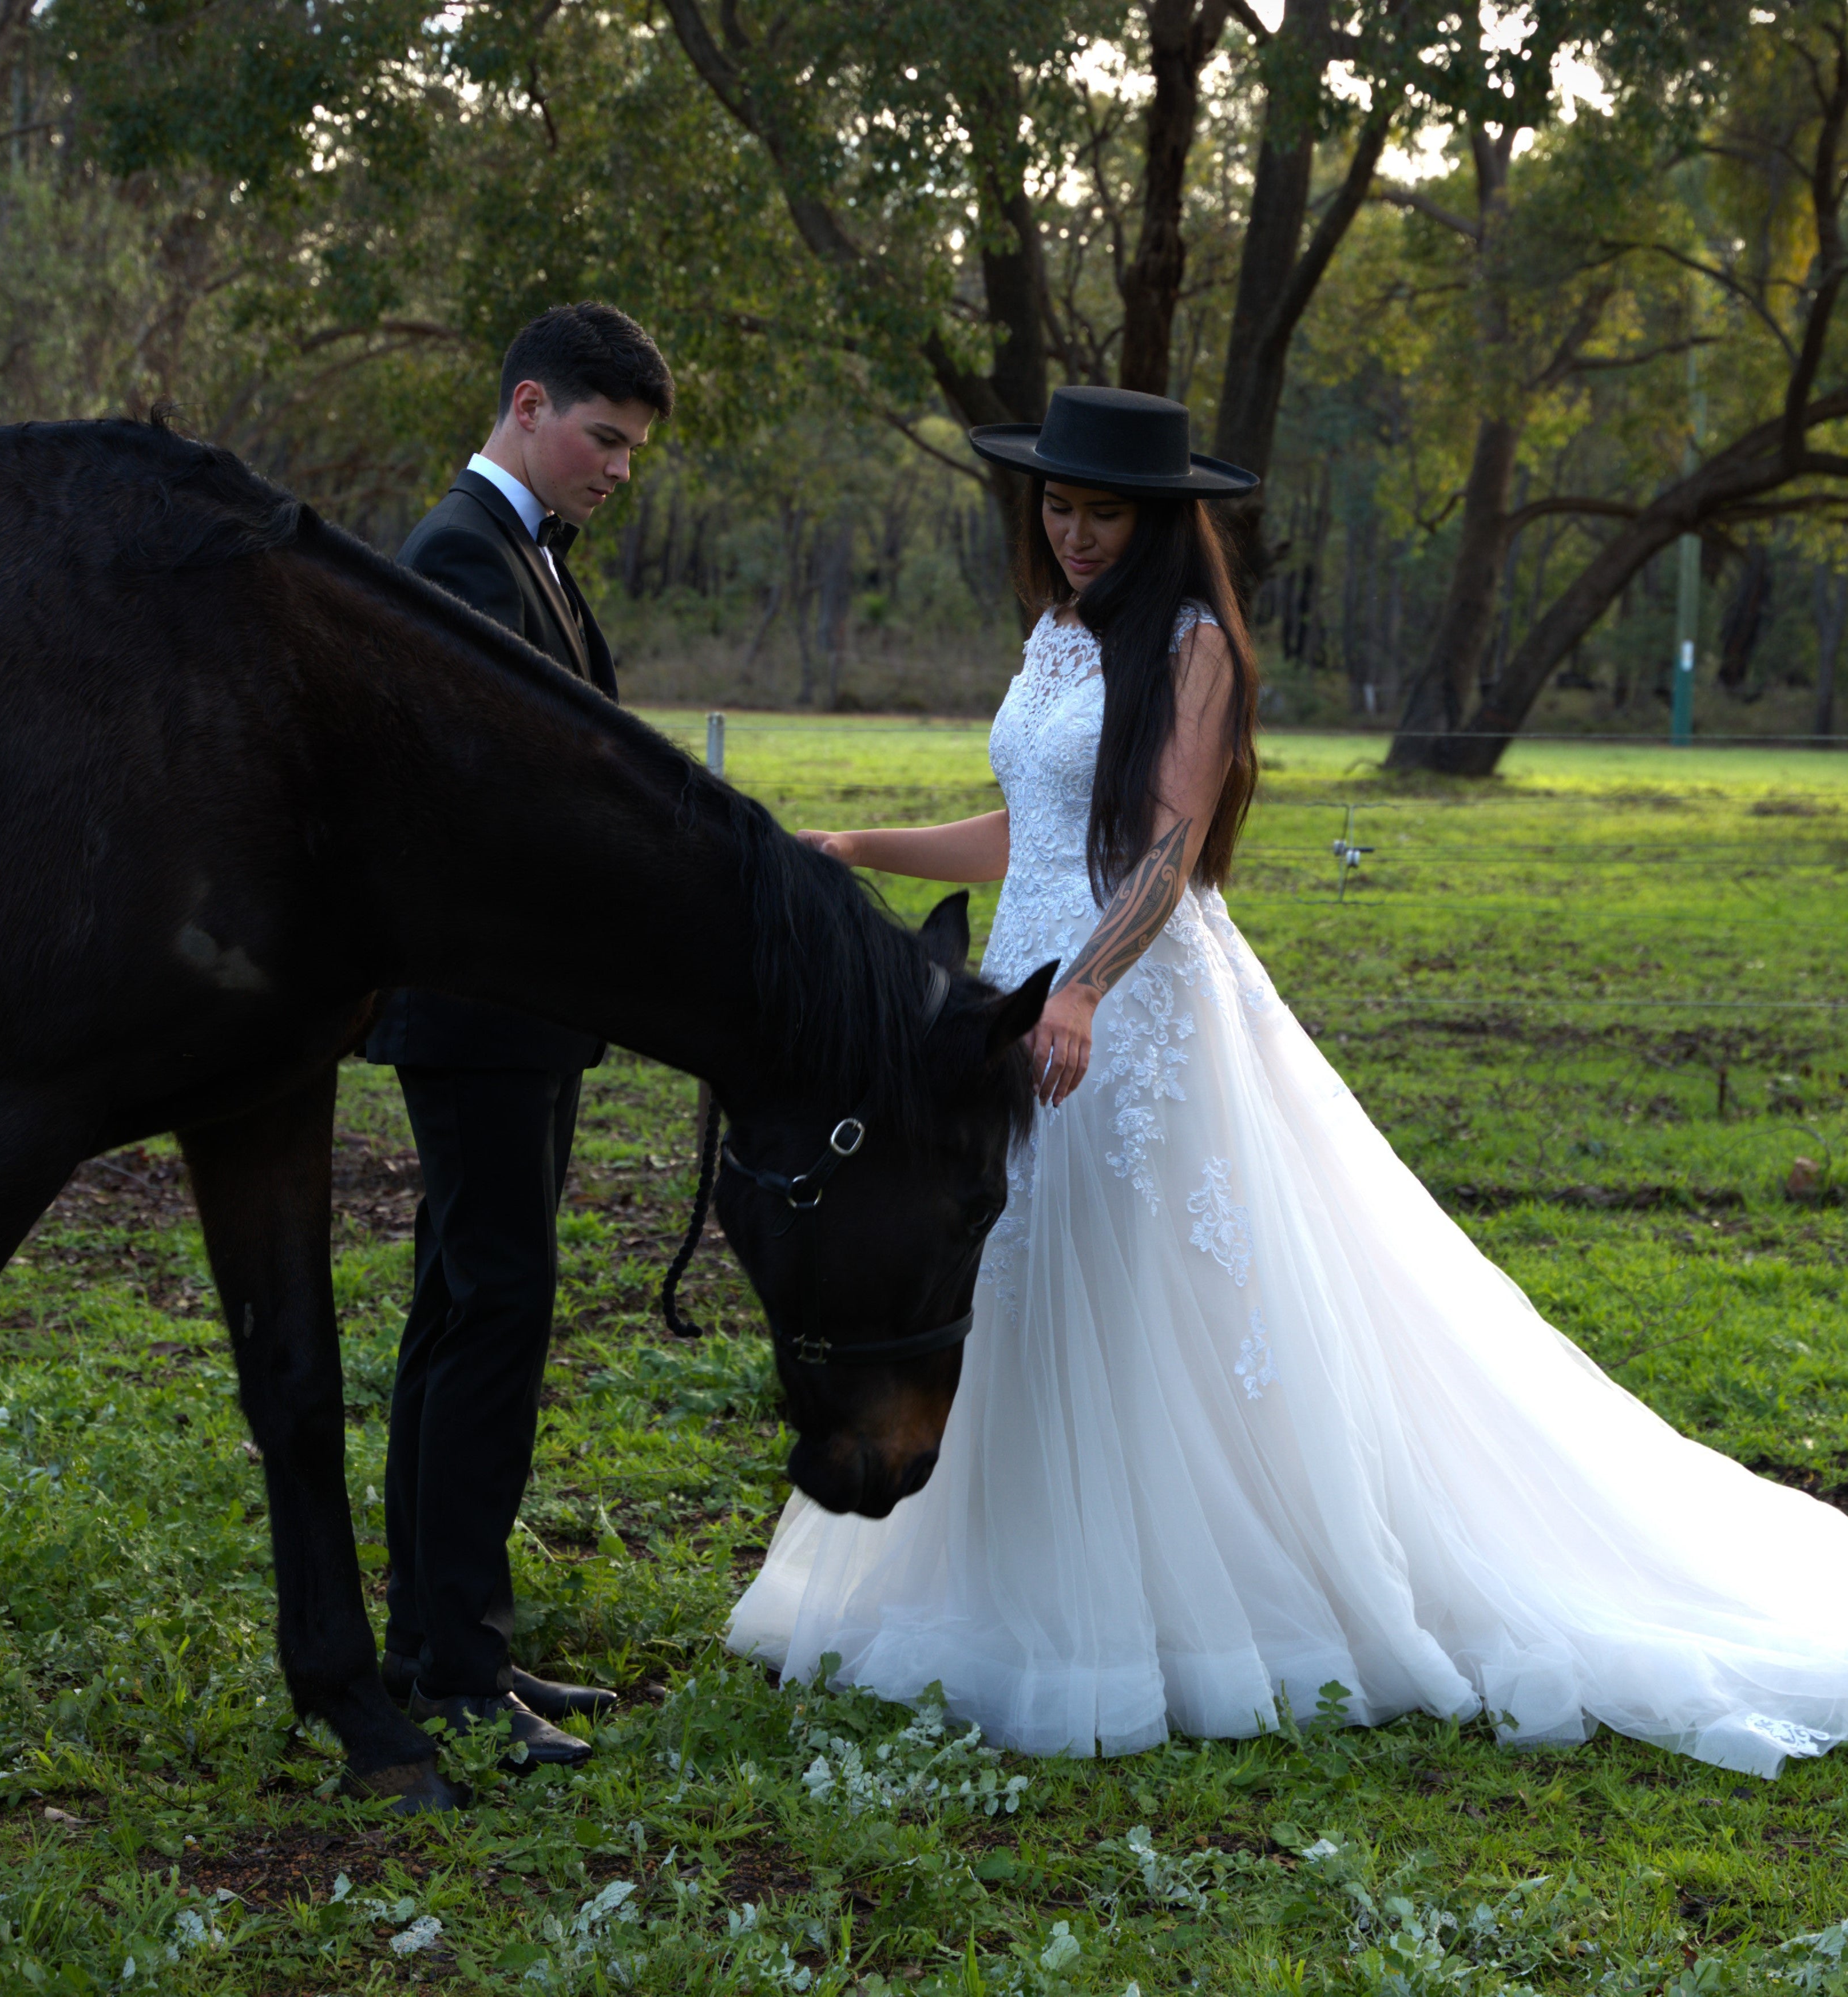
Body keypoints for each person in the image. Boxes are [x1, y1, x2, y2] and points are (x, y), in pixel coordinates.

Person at [727, 384, 1848, 1777]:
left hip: (1129, 1010)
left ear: (1163, 520)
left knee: (1143, 1295)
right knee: (1001, 1271)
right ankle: (1003, 1588)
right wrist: (863, 846)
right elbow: (1033, 829)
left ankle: (1171, 1609)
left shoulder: (1194, 650)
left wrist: (1084, 988)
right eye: (1060, 508)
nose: (1076, 535)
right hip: (1018, 1001)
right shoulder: (1058, 634)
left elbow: (1164, 850)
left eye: (1106, 512)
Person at [367, 301, 674, 1766]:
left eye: (630, 451)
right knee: (491, 1318)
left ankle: (444, 1642)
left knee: (467, 1309)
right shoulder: (457, 558)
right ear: (529, 406)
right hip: (480, 1010)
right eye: (603, 440)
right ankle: (452, 1672)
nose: (617, 470)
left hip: (521, 1014)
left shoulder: (527, 558)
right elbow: (507, 800)